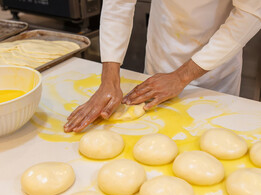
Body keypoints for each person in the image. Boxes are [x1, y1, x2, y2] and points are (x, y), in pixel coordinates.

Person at [64, 0, 261, 133]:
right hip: (162, 48)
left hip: (214, 65)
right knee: (153, 131)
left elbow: (250, 14)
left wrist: (182, 77)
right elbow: (118, 5)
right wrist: (109, 80)